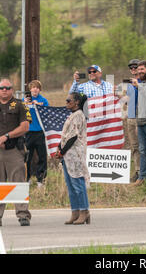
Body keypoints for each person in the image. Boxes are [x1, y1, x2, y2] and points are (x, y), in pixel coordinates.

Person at [0, 78, 32, 226]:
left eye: (8, 88)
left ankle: (23, 215)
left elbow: (25, 126)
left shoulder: (20, 105)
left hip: (14, 149)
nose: (4, 90)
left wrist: (6, 136)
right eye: (2, 87)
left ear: (12, 90)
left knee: (18, 182)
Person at [55, 92, 91, 225]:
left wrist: (62, 151)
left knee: (78, 184)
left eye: (68, 100)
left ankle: (84, 211)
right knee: (70, 185)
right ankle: (74, 211)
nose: (66, 103)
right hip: (67, 156)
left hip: (75, 154)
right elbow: (65, 136)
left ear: (76, 102)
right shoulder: (72, 115)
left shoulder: (79, 115)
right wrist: (59, 148)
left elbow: (73, 137)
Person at [23, 80, 49, 187]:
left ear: (40, 89)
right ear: (30, 89)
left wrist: (38, 105)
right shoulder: (25, 100)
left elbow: (47, 113)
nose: (35, 89)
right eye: (33, 87)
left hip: (40, 132)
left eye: (37, 87)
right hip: (28, 132)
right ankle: (27, 177)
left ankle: (40, 180)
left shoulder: (43, 100)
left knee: (42, 157)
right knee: (27, 157)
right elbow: (19, 113)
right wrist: (24, 103)